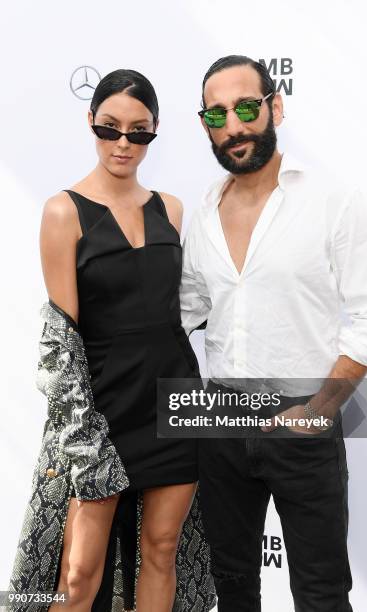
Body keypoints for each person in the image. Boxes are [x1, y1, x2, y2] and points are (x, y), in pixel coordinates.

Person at [180, 55, 367, 611]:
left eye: (246, 107)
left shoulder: (331, 201)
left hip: (304, 417)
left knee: (322, 594)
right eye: (217, 115)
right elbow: (188, 308)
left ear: (275, 107)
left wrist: (324, 405)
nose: (233, 126)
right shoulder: (202, 213)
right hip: (222, 420)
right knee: (230, 588)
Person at [8, 68, 215, 612]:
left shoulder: (170, 208)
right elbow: (61, 341)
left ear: (155, 132)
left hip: (174, 402)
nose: (124, 144)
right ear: (91, 123)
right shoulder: (63, 211)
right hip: (102, 410)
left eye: (139, 132)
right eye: (111, 129)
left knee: (163, 548)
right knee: (77, 578)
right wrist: (85, 435)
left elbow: (182, 311)